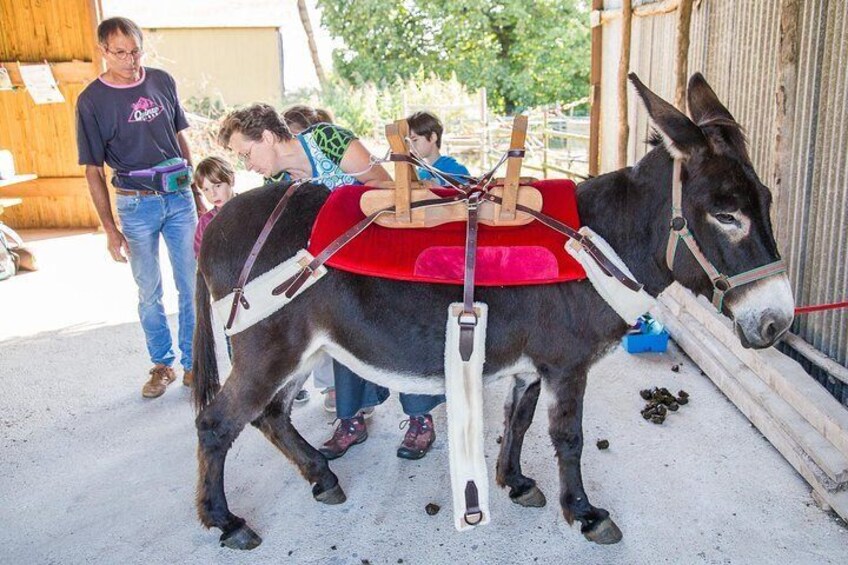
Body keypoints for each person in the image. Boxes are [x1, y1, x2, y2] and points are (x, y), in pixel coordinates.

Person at [76, 17, 197, 399]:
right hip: (135, 205)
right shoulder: (91, 101)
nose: (130, 60)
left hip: (179, 199)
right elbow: (93, 170)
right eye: (120, 53)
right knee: (149, 291)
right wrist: (109, 229)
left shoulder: (161, 81)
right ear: (103, 52)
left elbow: (180, 138)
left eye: (135, 51)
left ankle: (195, 364)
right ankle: (162, 365)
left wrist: (194, 189)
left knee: (192, 285)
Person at [406, 111, 471, 185]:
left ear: (432, 137)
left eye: (414, 140)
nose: (411, 146)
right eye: (408, 142)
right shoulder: (419, 174)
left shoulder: (456, 170)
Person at [193, 156, 236, 257]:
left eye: (217, 185)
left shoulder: (249, 208)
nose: (213, 194)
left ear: (232, 180)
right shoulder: (205, 222)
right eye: (206, 190)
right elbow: (200, 255)